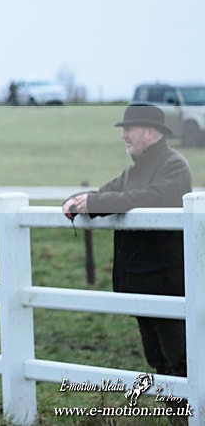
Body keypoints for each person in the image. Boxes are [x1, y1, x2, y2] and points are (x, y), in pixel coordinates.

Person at [62, 103, 192, 378]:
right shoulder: (131, 173)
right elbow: (102, 194)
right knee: (157, 357)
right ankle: (176, 415)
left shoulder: (175, 166)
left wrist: (94, 202)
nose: (123, 136)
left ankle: (191, 415)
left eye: (128, 129)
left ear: (150, 132)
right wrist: (74, 200)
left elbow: (153, 198)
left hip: (167, 283)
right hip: (140, 282)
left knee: (180, 356)